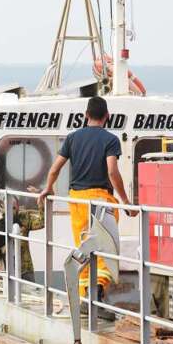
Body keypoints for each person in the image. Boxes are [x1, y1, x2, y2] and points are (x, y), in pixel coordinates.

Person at [38, 96, 137, 303]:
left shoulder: (73, 138)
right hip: (101, 200)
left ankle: (84, 296)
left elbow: (55, 168)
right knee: (104, 246)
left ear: (85, 115)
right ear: (107, 116)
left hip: (77, 201)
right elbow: (112, 171)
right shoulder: (110, 140)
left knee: (83, 246)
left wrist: (48, 188)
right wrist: (126, 201)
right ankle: (98, 290)